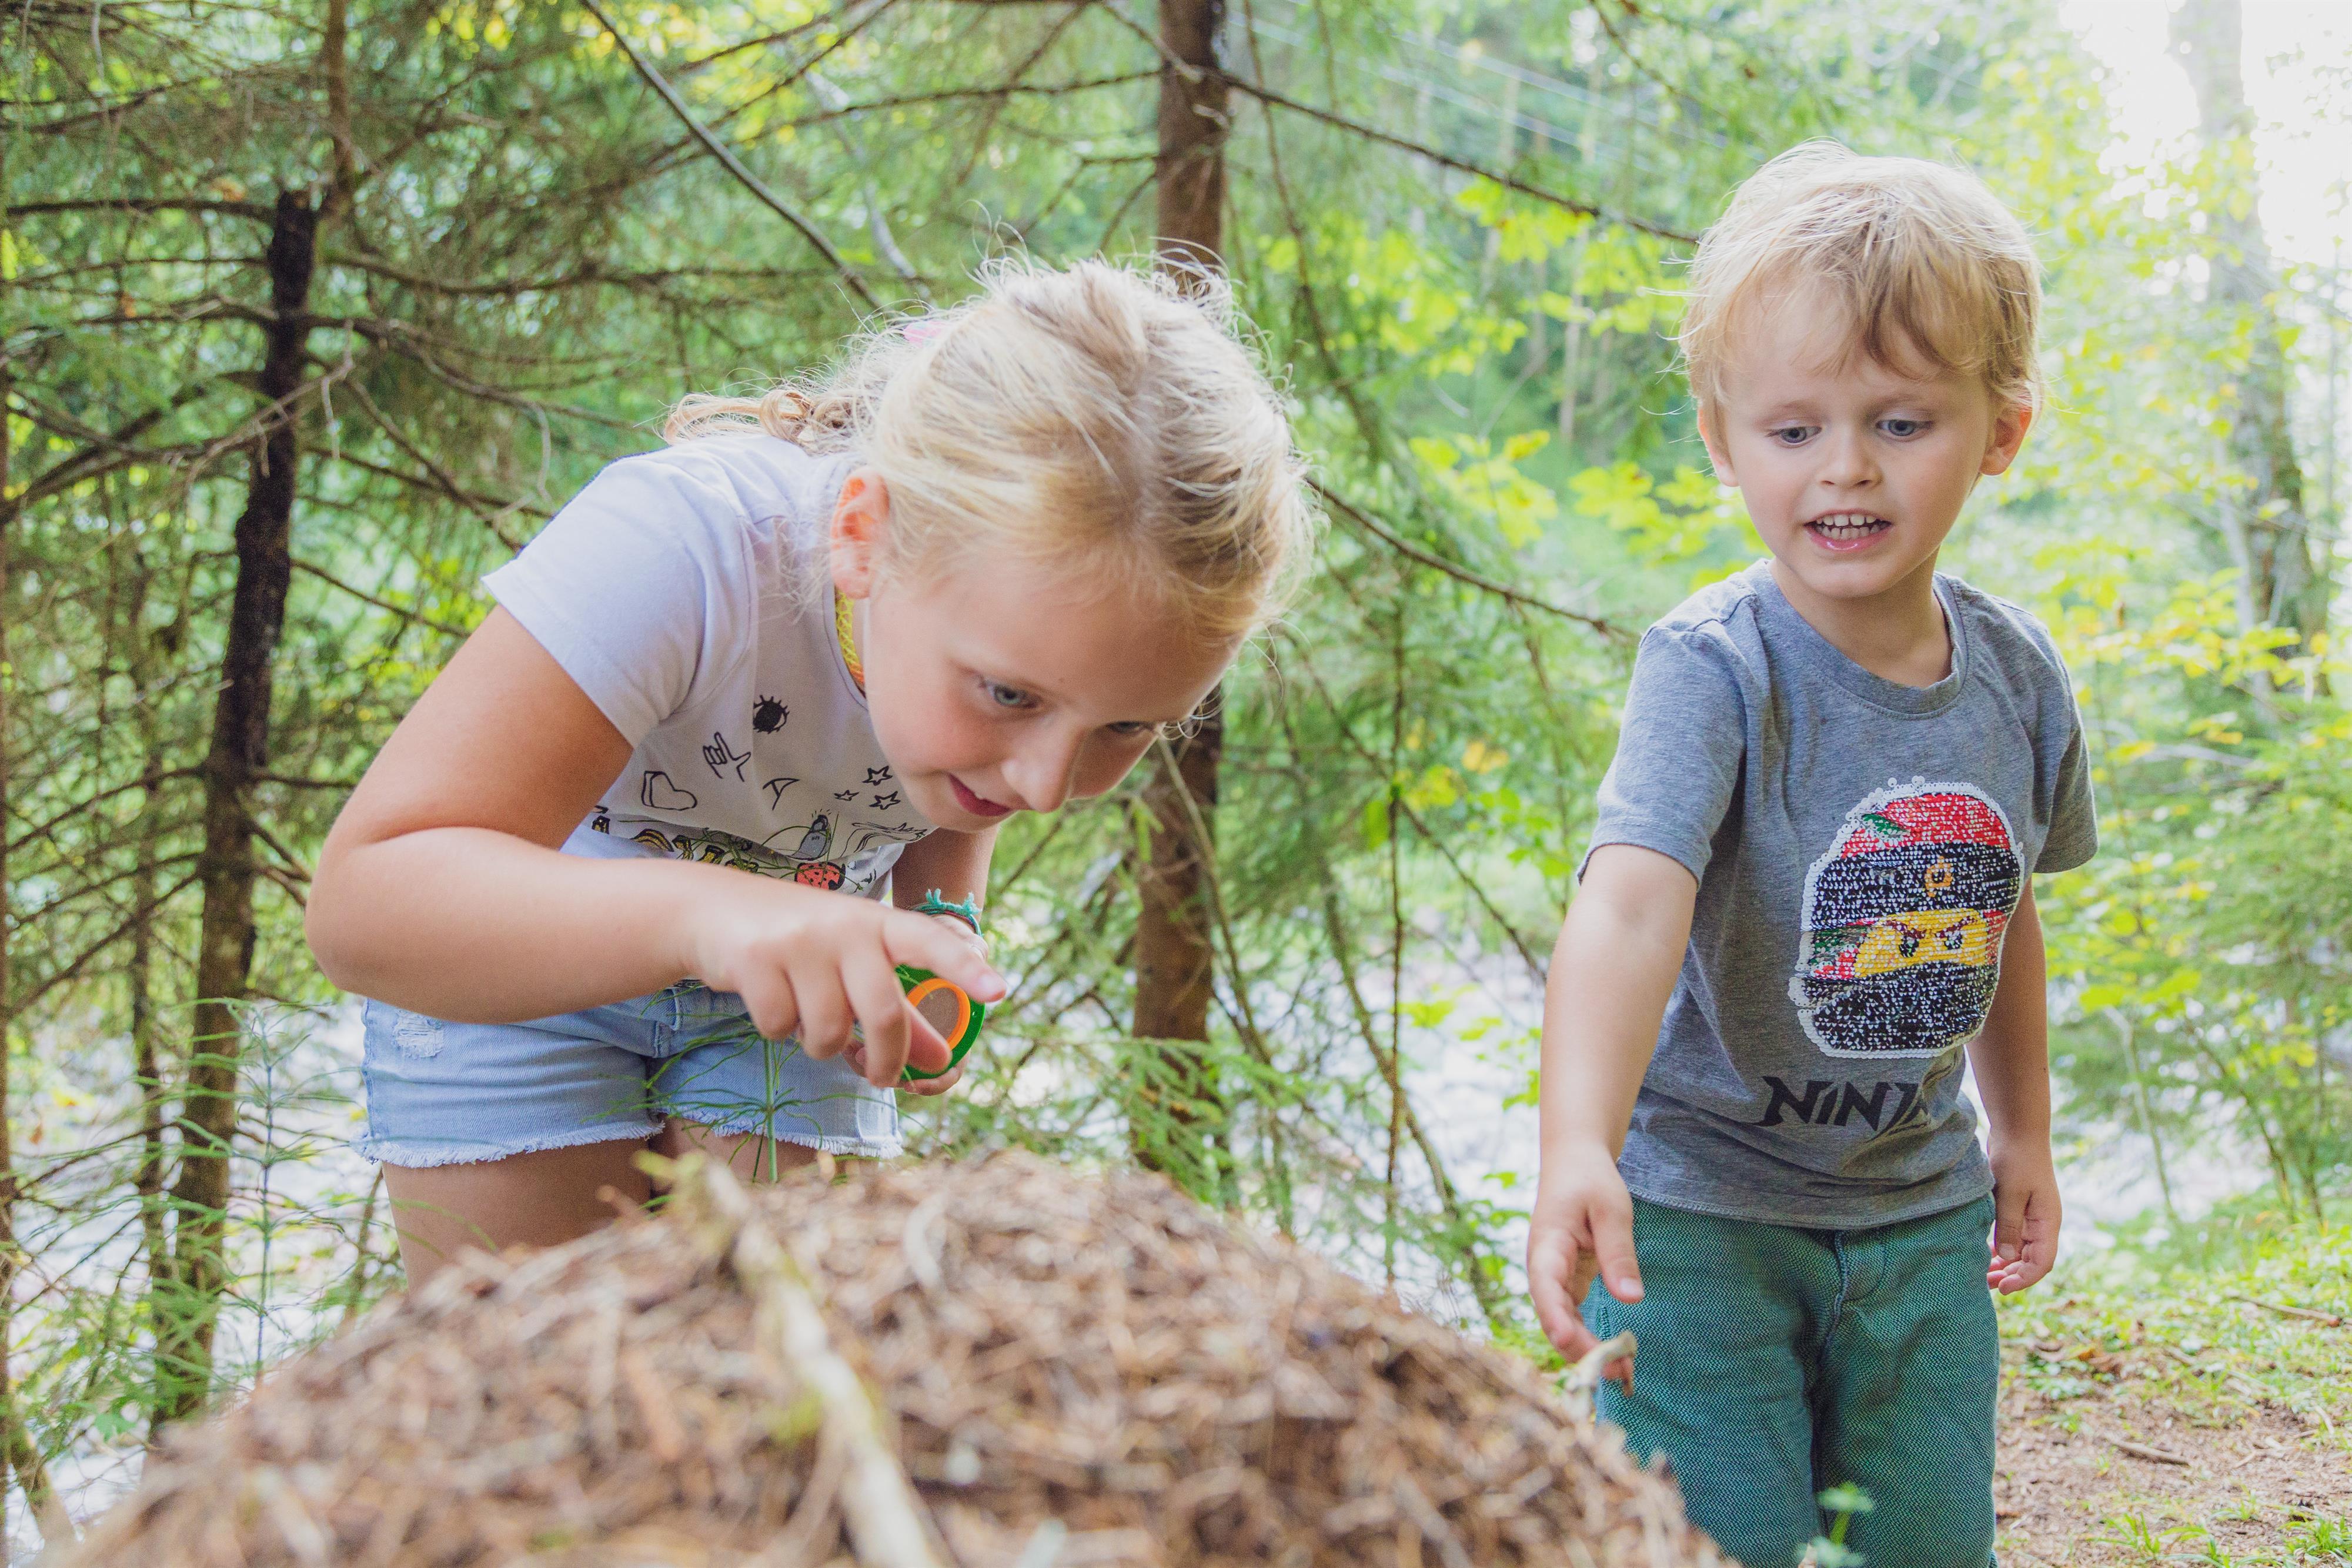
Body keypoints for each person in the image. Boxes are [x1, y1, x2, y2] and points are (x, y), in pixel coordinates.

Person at [308, 259, 1315, 1285]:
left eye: (1128, 726)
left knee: (774, 1347)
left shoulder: (983, 659)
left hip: (792, 994)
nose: (1046, 785)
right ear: (863, 537)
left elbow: (961, 787)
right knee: (536, 1355)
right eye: (1010, 695)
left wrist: (941, 922)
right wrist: (714, 915)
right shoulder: (684, 550)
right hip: (518, 975)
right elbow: (366, 905)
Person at [1525, 144, 2097, 1567]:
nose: (1843, 465)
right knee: (1712, 1543)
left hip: (1919, 1216)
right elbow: (1628, 905)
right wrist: (1574, 1139)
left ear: (2000, 429)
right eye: (1792, 429)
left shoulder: (2017, 679)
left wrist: (2020, 1129)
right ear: (1722, 442)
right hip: (1694, 1221)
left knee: (1925, 1544)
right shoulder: (1713, 667)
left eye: (1899, 421)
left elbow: (1999, 911)